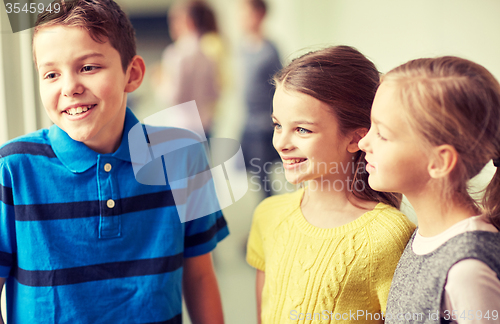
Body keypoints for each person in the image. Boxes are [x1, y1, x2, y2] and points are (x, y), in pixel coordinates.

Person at [0, 0, 228, 323]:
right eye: (51, 74)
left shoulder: (184, 156)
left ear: (131, 75)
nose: (70, 88)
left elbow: (201, 277)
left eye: (88, 67)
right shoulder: (11, 170)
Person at [246, 46, 416, 324]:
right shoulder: (268, 215)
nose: (281, 143)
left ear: (355, 139)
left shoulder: (388, 237)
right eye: (278, 125)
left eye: (302, 129)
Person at [359, 57, 500, 323]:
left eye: (383, 134)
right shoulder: (426, 237)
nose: (364, 142)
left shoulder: (468, 270)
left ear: (439, 161)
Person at [157, 0, 221, 138]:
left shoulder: (176, 53)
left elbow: (176, 96)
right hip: (205, 125)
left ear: (187, 20)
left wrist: (159, 83)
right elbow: (215, 92)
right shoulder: (208, 51)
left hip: (182, 126)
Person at [238, 0, 282, 197]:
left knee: (264, 178)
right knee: (254, 174)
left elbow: (279, 89)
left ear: (259, 15)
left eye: (246, 13)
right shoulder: (243, 48)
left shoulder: (269, 51)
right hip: (249, 122)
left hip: (264, 124)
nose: (241, 18)